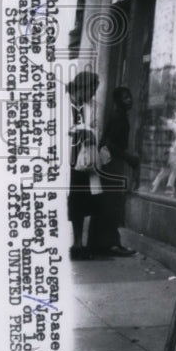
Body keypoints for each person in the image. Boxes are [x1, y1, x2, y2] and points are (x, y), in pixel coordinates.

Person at [88, 85, 139, 257]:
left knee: (106, 203)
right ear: (118, 101)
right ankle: (112, 244)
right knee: (112, 203)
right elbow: (110, 143)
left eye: (129, 96)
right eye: (125, 97)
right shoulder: (119, 118)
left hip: (107, 161)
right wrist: (129, 158)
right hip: (112, 162)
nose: (129, 100)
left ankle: (99, 244)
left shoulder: (117, 116)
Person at [66, 70, 102, 261]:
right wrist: (74, 131)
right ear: (82, 88)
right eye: (91, 90)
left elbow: (96, 128)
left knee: (84, 202)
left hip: (84, 160)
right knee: (70, 202)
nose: (93, 94)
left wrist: (91, 133)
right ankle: (72, 242)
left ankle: (80, 243)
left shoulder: (92, 107)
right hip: (68, 159)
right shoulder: (65, 104)